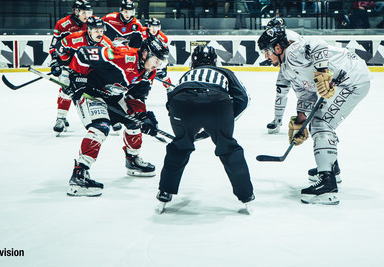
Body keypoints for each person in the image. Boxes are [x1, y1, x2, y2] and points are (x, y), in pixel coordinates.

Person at [257, 23, 372, 205]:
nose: (266, 57)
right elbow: (306, 94)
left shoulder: (294, 49)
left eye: (267, 51)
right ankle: (330, 167)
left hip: (352, 80)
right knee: (318, 122)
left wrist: (322, 72)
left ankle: (327, 184)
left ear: (278, 48)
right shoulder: (287, 68)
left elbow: (317, 43)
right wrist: (301, 122)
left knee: (321, 123)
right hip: (347, 82)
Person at [65, 34, 169, 196]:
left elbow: (137, 96)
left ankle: (132, 160)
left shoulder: (149, 73)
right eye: (156, 60)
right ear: (144, 54)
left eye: (160, 62)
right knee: (101, 127)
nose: (158, 65)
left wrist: (142, 116)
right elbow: (83, 53)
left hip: (111, 95)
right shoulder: (124, 56)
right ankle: (79, 173)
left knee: (134, 122)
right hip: (88, 92)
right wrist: (76, 77)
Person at [156, 45, 254, 212]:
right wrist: (226, 119)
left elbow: (171, 99)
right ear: (215, 61)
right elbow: (243, 98)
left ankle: (165, 190)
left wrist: (182, 129)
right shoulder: (225, 72)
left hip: (182, 103)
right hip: (217, 103)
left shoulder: (187, 75)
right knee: (228, 148)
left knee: (179, 147)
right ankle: (245, 194)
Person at [49, 0, 93, 134]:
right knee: (66, 88)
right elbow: (54, 46)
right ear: (76, 11)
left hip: (88, 64)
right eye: (84, 12)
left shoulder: (93, 22)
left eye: (89, 12)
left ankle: (100, 118)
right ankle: (61, 118)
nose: (87, 15)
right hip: (69, 63)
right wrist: (55, 61)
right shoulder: (63, 24)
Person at [142, 17, 173, 92]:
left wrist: (160, 65)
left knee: (163, 74)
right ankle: (145, 91)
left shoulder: (163, 37)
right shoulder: (141, 31)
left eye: (156, 27)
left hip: (155, 60)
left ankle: (169, 89)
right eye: (152, 26)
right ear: (149, 26)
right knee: (145, 77)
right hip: (143, 58)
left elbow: (163, 53)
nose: (154, 29)